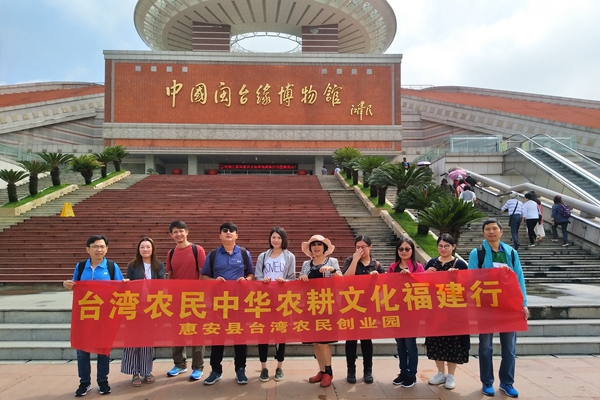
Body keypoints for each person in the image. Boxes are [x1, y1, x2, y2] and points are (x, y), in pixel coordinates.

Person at [467, 219, 529, 398]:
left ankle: (507, 382)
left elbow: (519, 278)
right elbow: (471, 278)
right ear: (483, 233)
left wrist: (523, 303)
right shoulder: (477, 253)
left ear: (501, 232)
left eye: (495, 228)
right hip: (486, 307)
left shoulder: (511, 253)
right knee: (485, 346)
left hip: (509, 306)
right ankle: (487, 382)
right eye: (487, 229)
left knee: (509, 347)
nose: (491, 231)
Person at [62, 235, 125, 397]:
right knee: (82, 350)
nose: (99, 250)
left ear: (107, 249)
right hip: (85, 316)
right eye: (95, 246)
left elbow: (120, 288)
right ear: (87, 249)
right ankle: (84, 382)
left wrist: (125, 284)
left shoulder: (111, 267)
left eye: (102, 246)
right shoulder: (81, 266)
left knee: (103, 349)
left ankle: (103, 381)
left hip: (104, 317)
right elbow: (74, 284)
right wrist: (67, 284)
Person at [201, 222, 254, 385]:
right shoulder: (213, 255)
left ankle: (240, 369)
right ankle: (216, 370)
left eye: (232, 231)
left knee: (240, 337)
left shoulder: (244, 253)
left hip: (239, 303)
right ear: (220, 235)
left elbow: (251, 274)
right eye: (225, 231)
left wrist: (246, 279)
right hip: (219, 303)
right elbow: (204, 276)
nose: (228, 233)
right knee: (218, 337)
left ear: (237, 235)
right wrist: (214, 281)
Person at [424, 234, 469, 390]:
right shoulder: (431, 263)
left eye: (447, 246)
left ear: (453, 247)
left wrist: (458, 277)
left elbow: (468, 287)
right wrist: (425, 275)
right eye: (440, 246)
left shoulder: (460, 264)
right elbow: (421, 287)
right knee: (435, 341)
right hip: (434, 311)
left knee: (452, 342)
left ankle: (451, 375)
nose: (443, 249)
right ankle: (440, 373)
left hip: (453, 311)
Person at [298, 234, 343, 388]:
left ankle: (329, 372)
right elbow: (299, 283)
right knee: (315, 342)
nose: (316, 247)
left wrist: (332, 270)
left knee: (323, 342)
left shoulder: (332, 261)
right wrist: (302, 278)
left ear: (324, 248)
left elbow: (341, 281)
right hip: (310, 306)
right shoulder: (306, 264)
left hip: (327, 306)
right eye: (313, 245)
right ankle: (322, 370)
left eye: (319, 244)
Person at [166, 220, 207, 381]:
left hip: (195, 298)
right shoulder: (171, 253)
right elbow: (170, 274)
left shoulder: (197, 250)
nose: (178, 234)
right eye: (175, 232)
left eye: (181, 231)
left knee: (197, 332)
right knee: (177, 332)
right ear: (171, 235)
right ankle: (179, 364)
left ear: (187, 232)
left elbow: (203, 273)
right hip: (177, 299)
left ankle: (198, 367)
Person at [122, 237, 165, 387]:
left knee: (147, 341)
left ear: (152, 249)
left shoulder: (159, 266)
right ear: (138, 250)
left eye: (148, 247)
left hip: (150, 308)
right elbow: (128, 286)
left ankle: (147, 371)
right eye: (142, 247)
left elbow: (161, 285)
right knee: (133, 340)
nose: (145, 249)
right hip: (134, 308)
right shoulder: (132, 266)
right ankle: (134, 372)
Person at [254, 227, 296, 382]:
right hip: (264, 299)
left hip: (282, 300)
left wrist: (285, 281)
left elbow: (292, 278)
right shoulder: (263, 256)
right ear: (270, 239)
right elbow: (257, 276)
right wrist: (262, 280)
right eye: (273, 237)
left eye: (279, 237)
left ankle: (279, 367)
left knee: (281, 333)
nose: (276, 240)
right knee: (263, 334)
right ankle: (264, 368)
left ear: (283, 239)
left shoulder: (289, 256)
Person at [341, 234, 385, 384]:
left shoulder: (376, 265)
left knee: (366, 339)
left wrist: (377, 278)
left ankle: (368, 370)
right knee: (351, 339)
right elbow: (346, 278)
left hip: (369, 307)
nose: (361, 250)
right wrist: (355, 259)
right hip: (351, 306)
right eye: (358, 247)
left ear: (370, 247)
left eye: (364, 247)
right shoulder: (350, 260)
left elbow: (385, 285)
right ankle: (351, 370)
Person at [388, 238, 424, 389]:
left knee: (410, 344)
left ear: (412, 251)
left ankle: (412, 374)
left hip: (412, 312)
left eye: (407, 249)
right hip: (396, 311)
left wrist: (411, 276)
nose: (404, 252)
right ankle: (403, 372)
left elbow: (424, 285)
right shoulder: (392, 267)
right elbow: (387, 285)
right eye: (401, 249)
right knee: (400, 344)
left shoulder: (418, 267)